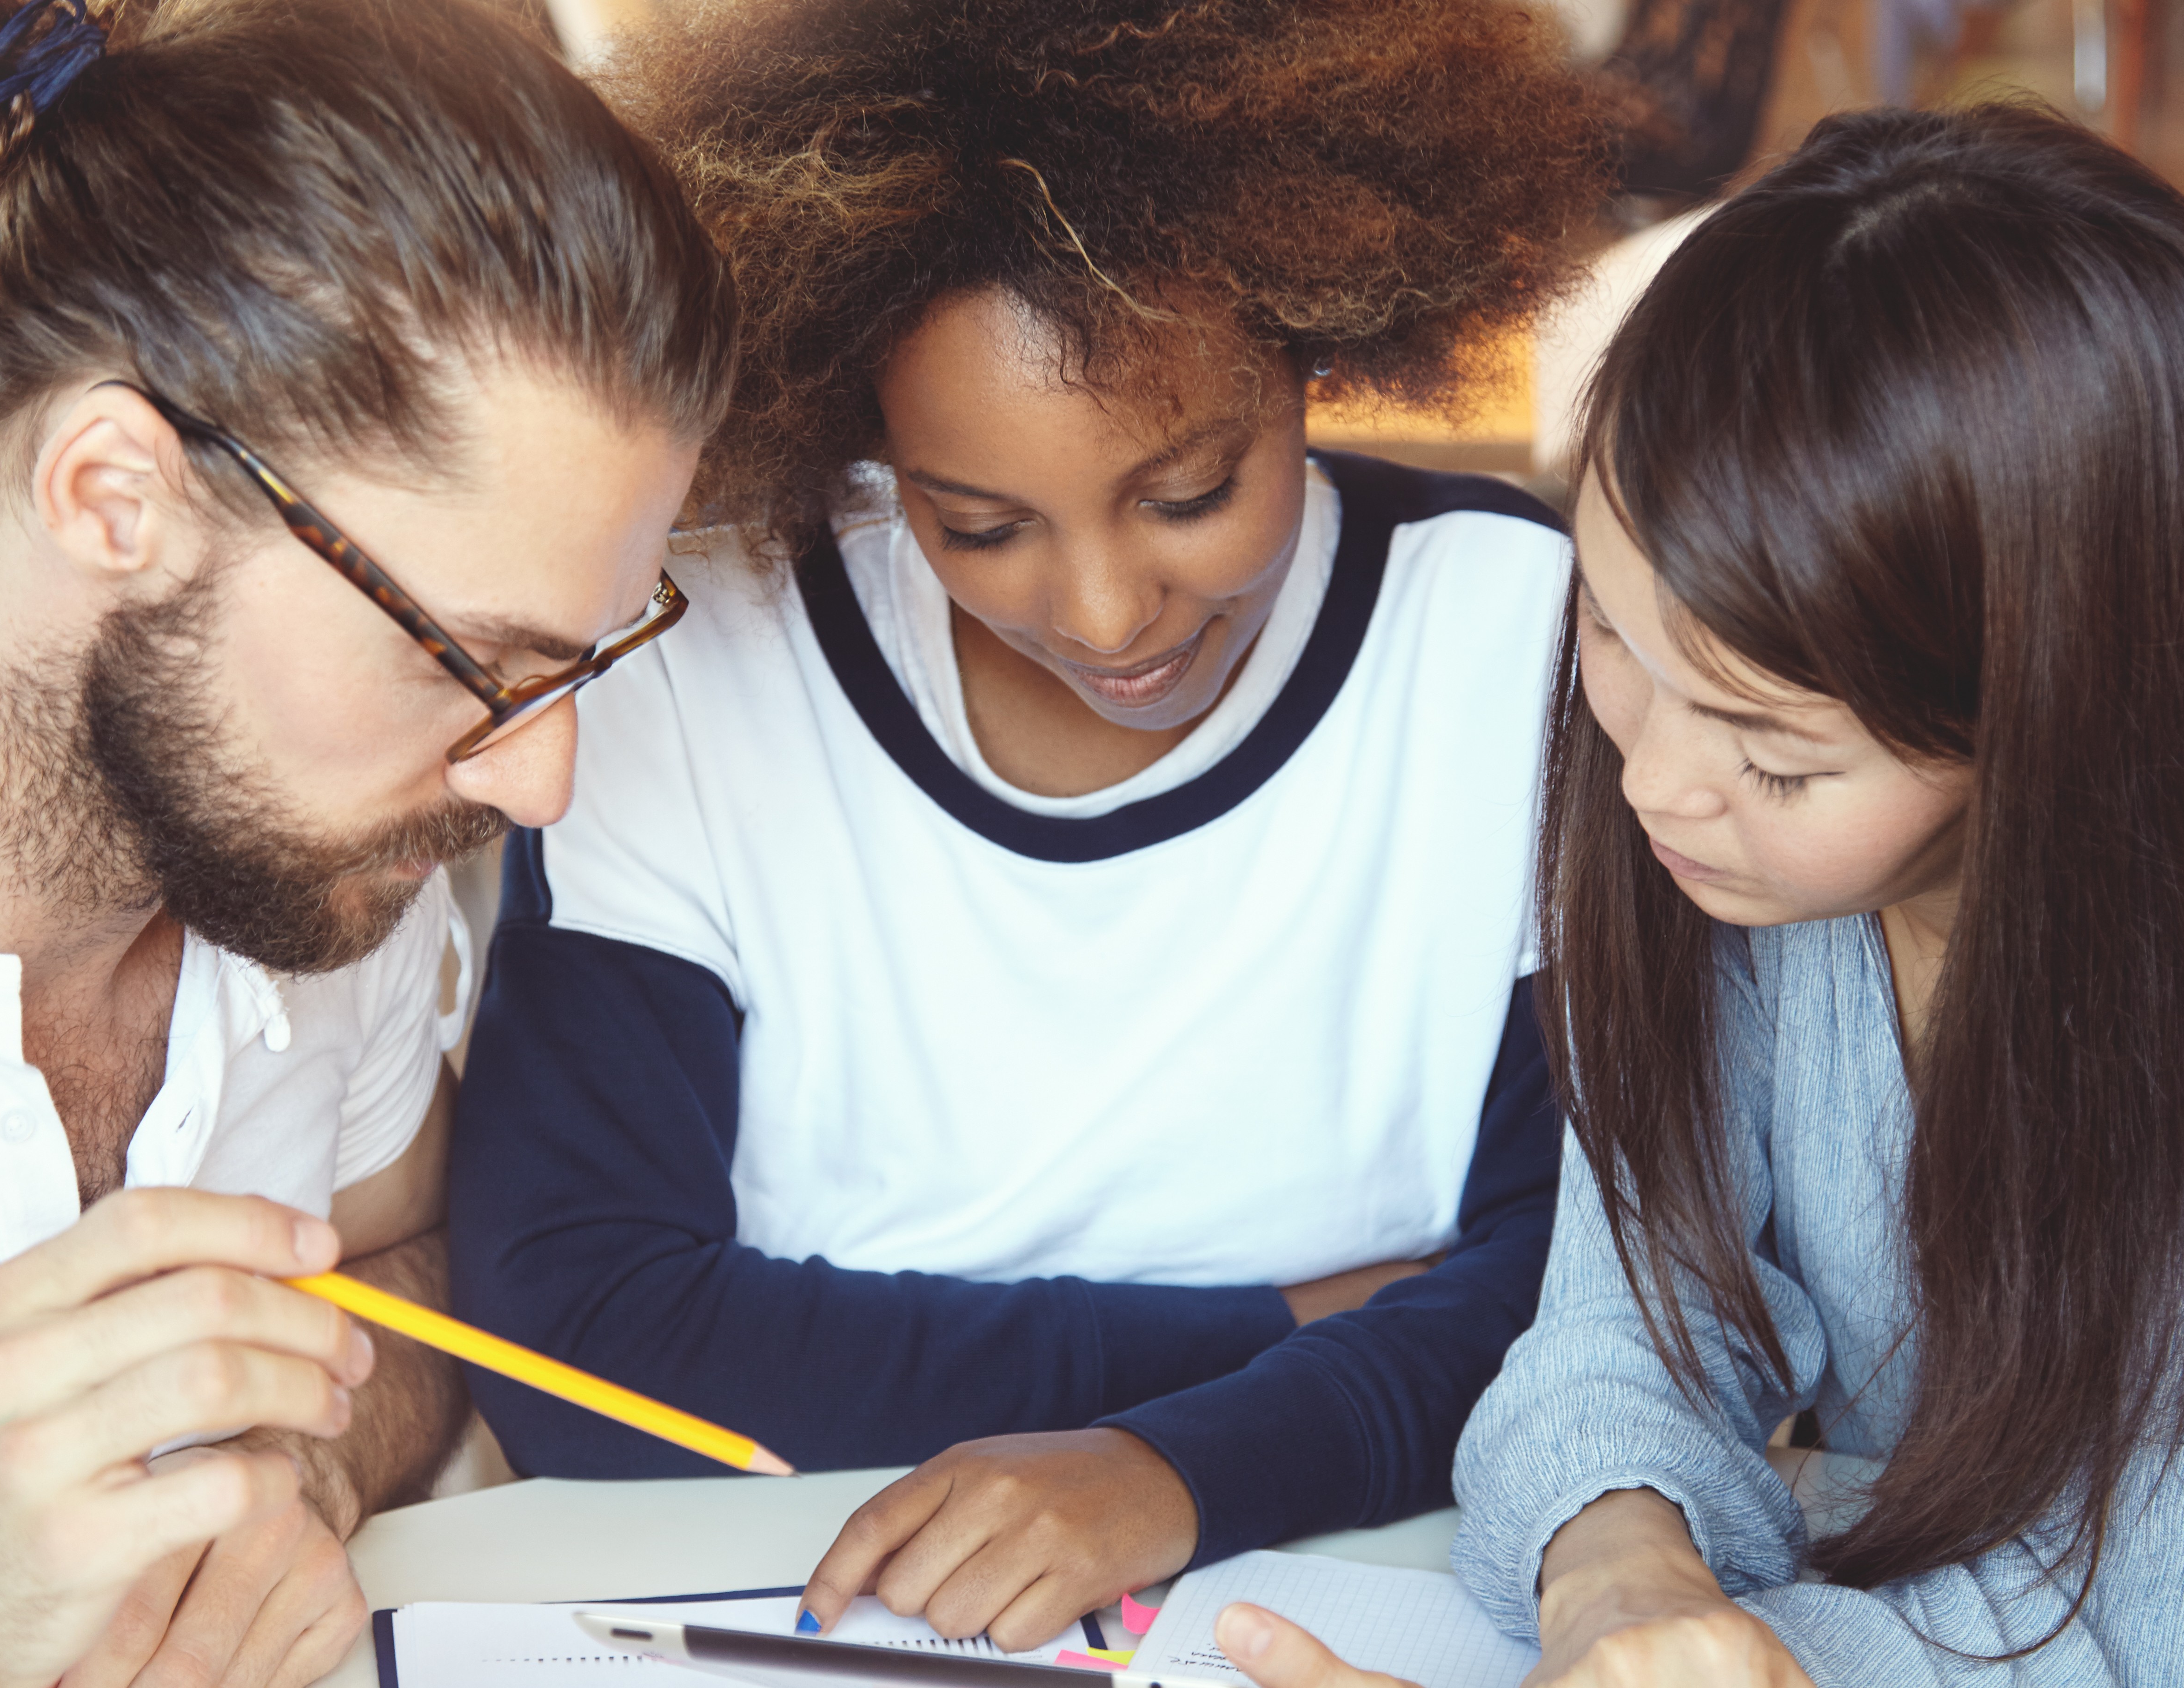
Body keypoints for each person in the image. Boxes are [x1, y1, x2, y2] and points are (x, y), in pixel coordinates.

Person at [447, 0, 1610, 1652]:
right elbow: (577, 1337)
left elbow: (1596, 1291)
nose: (1107, 610)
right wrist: (1290, 1337)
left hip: (1374, 1602)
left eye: (1191, 493)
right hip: (798, 1602)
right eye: (979, 526)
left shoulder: (1511, 634)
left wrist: (1172, 1473)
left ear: (1316, 343)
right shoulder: (701, 650)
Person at [1213, 102, 2184, 1688]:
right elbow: (1619, 1338)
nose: (1652, 787)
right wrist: (1616, 1583)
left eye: (1776, 755)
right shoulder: (1746, 853)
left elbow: (2117, 1608)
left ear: (2062, 705)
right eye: (1615, 634)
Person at [0, 0, 735, 1682]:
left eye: (593, 657)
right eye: (469, 660)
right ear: (115, 496)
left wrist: (309, 1467)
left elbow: (412, 1249)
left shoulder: (322, 874)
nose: (541, 786)